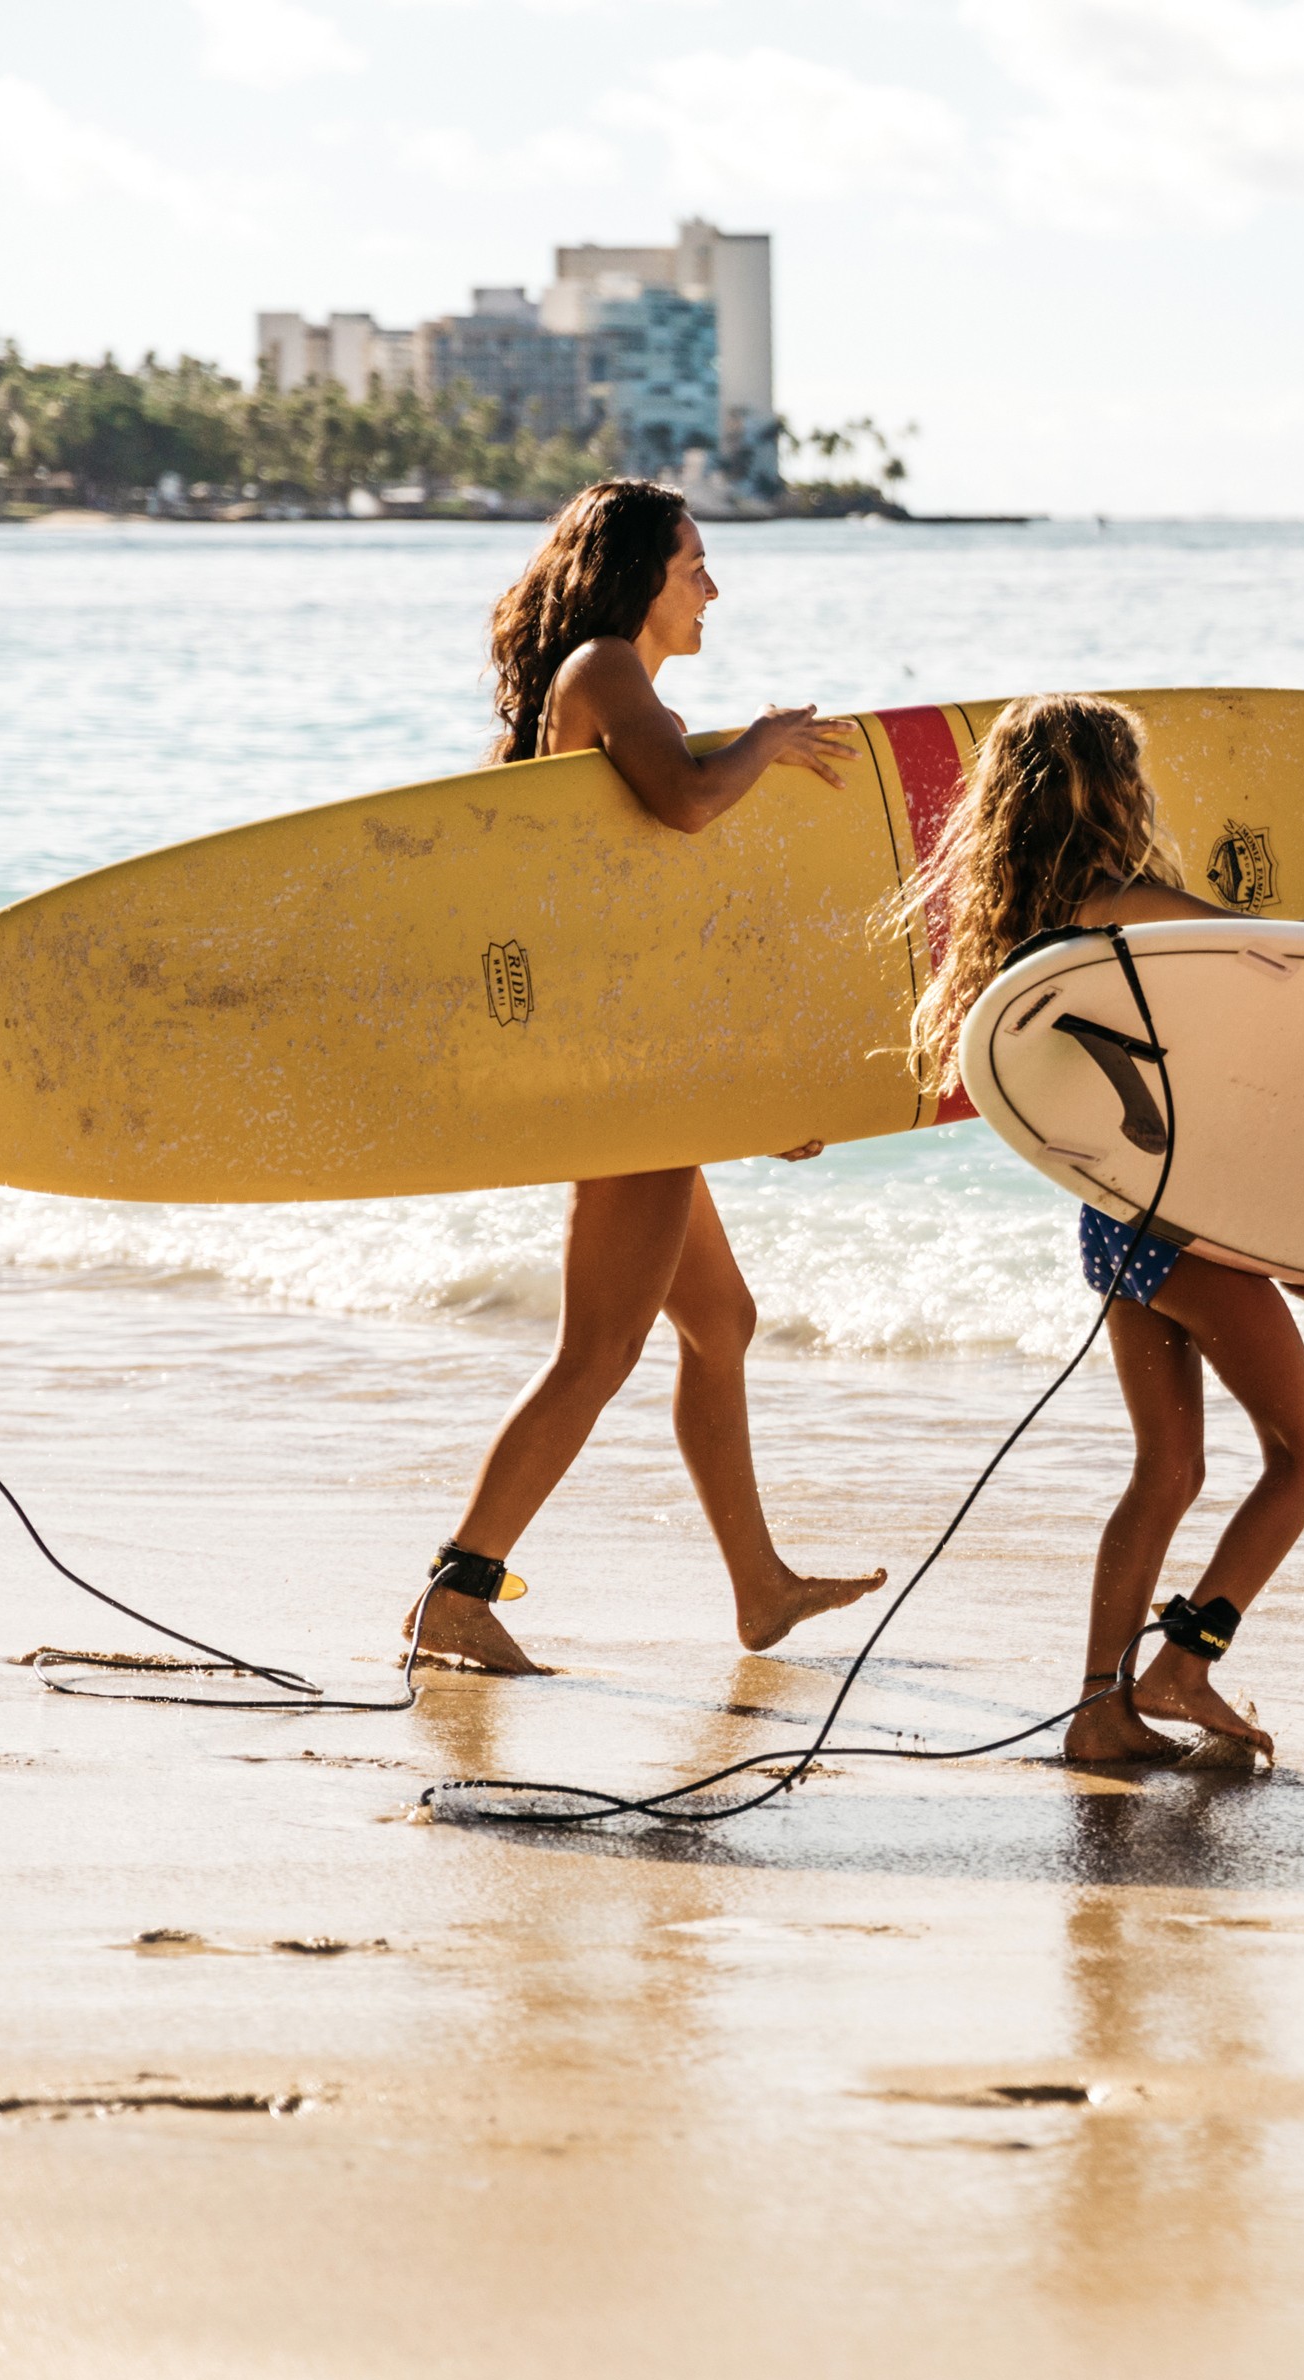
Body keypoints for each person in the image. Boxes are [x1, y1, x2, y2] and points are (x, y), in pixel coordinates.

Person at [895, 694, 1304, 1765]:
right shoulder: (1125, 900)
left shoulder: (1035, 925)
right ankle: (1183, 1663)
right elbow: (1293, 952)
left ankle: (1099, 1710)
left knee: (1168, 1468)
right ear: (1109, 788)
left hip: (1116, 1216)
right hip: (1187, 1223)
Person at [415, 480, 883, 1675]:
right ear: (638, 575)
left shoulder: (609, 685)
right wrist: (766, 745)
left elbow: (641, 927)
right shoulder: (603, 669)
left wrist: (750, 1091)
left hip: (626, 1056)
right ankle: (458, 1591)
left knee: (719, 1320)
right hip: (616, 1075)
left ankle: (761, 1586)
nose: (712, 589)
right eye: (695, 564)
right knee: (601, 1348)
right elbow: (683, 808)